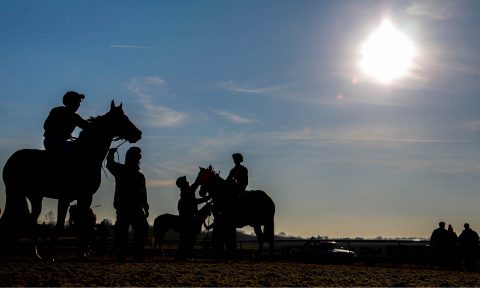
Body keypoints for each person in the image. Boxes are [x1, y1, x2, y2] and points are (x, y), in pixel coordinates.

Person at [106, 147, 149, 262]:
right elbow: (109, 164)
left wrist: (145, 206)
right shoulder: (122, 170)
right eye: (138, 155)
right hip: (125, 207)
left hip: (132, 207)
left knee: (140, 229)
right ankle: (124, 253)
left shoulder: (138, 175)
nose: (140, 157)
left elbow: (143, 193)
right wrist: (110, 154)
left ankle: (132, 253)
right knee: (123, 231)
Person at [175, 176, 210, 260]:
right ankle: (185, 255)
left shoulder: (187, 191)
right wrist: (206, 198)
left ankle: (183, 255)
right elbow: (194, 201)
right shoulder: (186, 192)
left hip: (187, 218)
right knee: (189, 238)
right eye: (185, 181)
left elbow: (196, 184)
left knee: (186, 238)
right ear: (183, 184)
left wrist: (200, 175)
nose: (187, 182)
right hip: (187, 219)